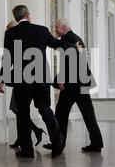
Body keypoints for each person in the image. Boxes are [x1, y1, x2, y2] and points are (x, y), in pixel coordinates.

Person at [0, 5, 81, 159]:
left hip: (22, 81)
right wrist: (73, 47)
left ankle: (27, 150)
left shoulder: (10, 33)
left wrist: (2, 79)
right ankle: (58, 142)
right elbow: (56, 44)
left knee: (22, 114)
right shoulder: (41, 30)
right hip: (41, 79)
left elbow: (7, 57)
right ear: (28, 15)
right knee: (45, 110)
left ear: (16, 18)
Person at [43, 18, 104, 153]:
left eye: (57, 28)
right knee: (88, 115)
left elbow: (71, 63)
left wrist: (62, 79)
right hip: (80, 83)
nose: (56, 30)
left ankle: (59, 143)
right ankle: (96, 143)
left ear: (64, 28)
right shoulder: (75, 38)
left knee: (61, 114)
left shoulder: (69, 39)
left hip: (73, 85)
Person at [4, 20, 46, 148]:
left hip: (22, 81)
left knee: (19, 110)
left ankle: (27, 137)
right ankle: (29, 135)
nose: (7, 32)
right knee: (17, 110)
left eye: (8, 30)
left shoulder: (17, 40)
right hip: (20, 79)